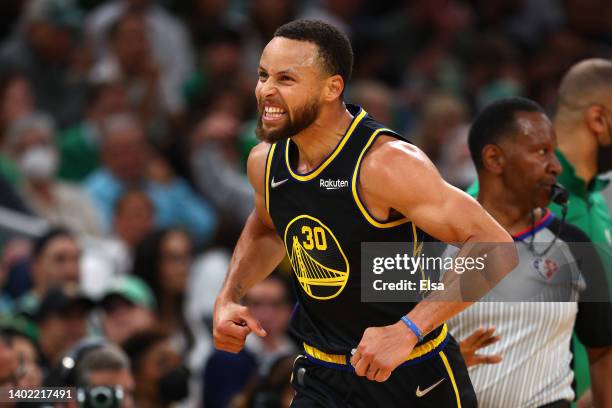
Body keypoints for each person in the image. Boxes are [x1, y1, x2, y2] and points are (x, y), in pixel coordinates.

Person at [213, 19, 517, 407]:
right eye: (262, 75)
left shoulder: (384, 163)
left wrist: (408, 329)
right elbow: (269, 226)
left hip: (412, 375)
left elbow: (496, 247)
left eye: (285, 79)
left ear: (332, 88)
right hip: (322, 376)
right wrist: (229, 295)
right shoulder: (265, 161)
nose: (265, 91)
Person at [449, 97, 612, 407]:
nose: (556, 166)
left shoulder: (575, 245)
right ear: (494, 159)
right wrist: (441, 364)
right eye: (541, 152)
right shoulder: (430, 243)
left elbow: (603, 349)